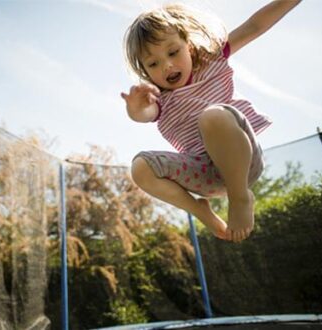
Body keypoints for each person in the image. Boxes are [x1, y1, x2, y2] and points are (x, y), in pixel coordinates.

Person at [120, 1, 301, 242]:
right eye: (154, 64)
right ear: (145, 70)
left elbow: (254, 26)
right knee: (140, 167)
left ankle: (240, 197)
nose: (167, 66)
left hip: (243, 162)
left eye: (173, 52)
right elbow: (144, 114)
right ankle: (200, 211)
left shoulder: (212, 61)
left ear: (189, 46)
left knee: (212, 116)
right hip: (204, 176)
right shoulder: (158, 98)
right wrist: (136, 108)